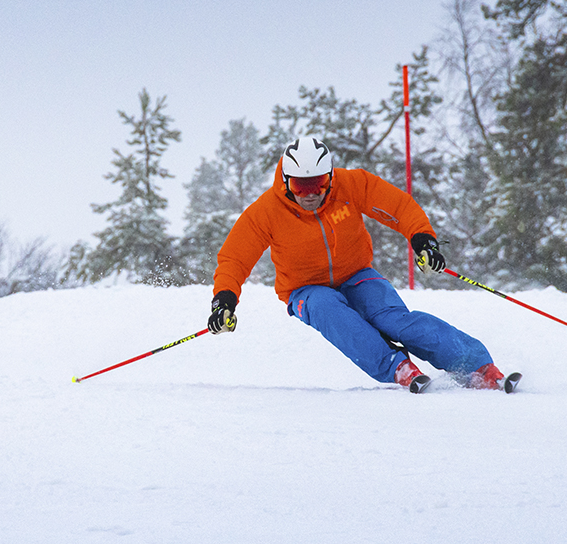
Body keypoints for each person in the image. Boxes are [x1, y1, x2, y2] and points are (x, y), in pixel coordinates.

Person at [207, 136, 515, 392]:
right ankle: (398, 368)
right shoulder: (266, 212)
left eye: (319, 183)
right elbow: (235, 257)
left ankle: (479, 368)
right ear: (287, 183)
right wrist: (224, 301)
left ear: (330, 177)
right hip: (305, 290)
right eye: (301, 187)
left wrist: (422, 239)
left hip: (357, 274)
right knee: (330, 308)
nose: (311, 194)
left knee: (395, 320)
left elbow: (399, 206)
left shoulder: (351, 185)